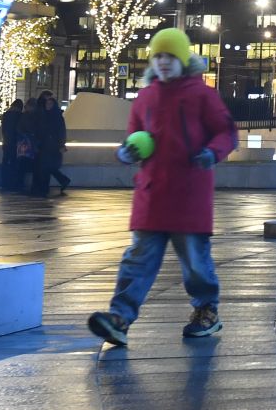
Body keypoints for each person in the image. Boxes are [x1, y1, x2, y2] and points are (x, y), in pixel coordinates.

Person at [87, 28, 237, 346]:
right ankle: (120, 318)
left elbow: (226, 131)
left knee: (195, 261)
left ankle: (206, 310)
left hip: (189, 193)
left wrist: (211, 153)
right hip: (153, 193)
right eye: (158, 56)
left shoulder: (202, 95)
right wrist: (125, 152)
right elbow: (134, 137)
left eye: (169, 56)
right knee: (138, 259)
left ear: (183, 59)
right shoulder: (144, 98)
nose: (163, 62)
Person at [29, 92, 71, 195]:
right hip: (45, 145)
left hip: (52, 147)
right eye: (47, 104)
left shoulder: (56, 117)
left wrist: (61, 144)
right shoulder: (46, 115)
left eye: (50, 104)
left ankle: (45, 187)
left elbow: (61, 131)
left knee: (46, 167)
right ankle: (48, 186)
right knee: (46, 167)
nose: (48, 106)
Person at [0, 99, 28, 190]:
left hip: (7, 142)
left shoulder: (6, 115)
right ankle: (15, 184)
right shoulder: (21, 116)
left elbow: (4, 130)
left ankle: (5, 183)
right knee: (16, 164)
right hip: (17, 143)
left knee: (6, 162)